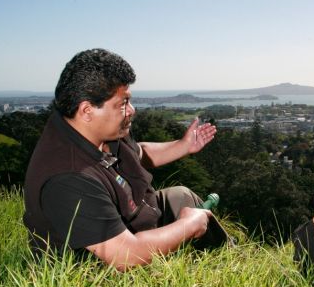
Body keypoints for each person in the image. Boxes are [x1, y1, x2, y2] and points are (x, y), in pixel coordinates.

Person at [24, 48, 227, 270]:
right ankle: (208, 271)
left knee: (180, 196)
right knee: (193, 220)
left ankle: (227, 258)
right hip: (101, 269)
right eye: (122, 104)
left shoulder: (99, 132)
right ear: (87, 110)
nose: (131, 110)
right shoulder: (69, 178)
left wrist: (183, 146)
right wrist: (189, 226)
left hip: (134, 217)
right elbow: (125, 256)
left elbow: (138, 153)